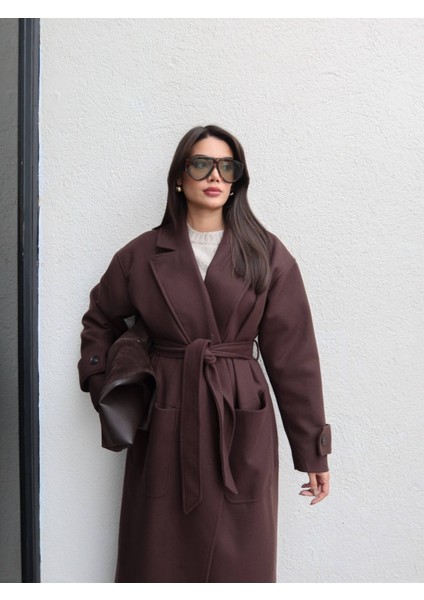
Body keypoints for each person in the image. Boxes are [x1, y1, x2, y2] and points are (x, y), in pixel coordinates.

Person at [78, 124, 331, 583]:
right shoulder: (140, 255)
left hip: (239, 413)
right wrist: (108, 390)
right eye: (201, 164)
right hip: (166, 412)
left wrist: (312, 450)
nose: (214, 175)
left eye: (227, 166)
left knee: (241, 557)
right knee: (158, 553)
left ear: (237, 180)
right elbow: (99, 321)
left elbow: (294, 358)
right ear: (179, 177)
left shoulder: (266, 254)